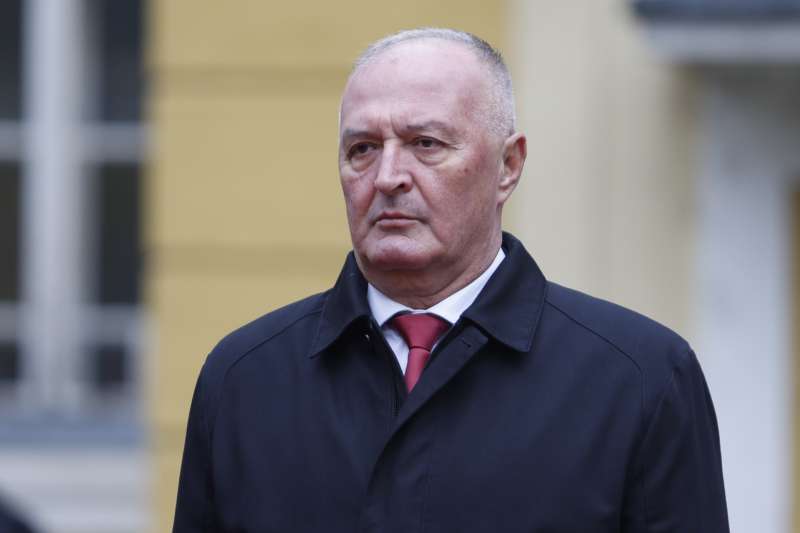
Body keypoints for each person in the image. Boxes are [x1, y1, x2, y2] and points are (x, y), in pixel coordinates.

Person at [173, 28, 729, 532]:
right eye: (363, 149)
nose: (388, 177)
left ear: (508, 166)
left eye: (426, 144)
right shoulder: (245, 380)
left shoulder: (639, 379)